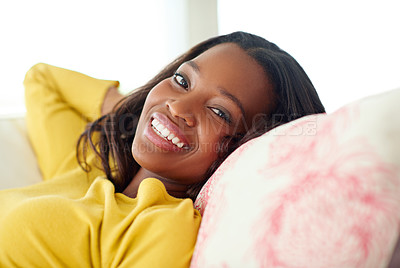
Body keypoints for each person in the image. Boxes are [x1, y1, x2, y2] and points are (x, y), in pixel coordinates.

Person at [0, 31, 325, 267]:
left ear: (245, 148)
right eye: (182, 81)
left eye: (219, 112)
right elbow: (42, 79)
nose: (178, 106)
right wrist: (137, 108)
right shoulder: (93, 160)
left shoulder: (164, 227)